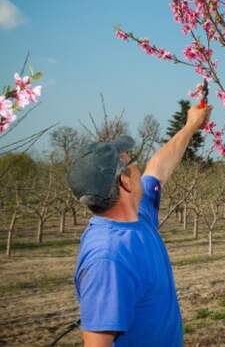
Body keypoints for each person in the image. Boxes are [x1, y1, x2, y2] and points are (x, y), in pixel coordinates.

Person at [68, 103, 212, 347]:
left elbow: (158, 168)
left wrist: (191, 126)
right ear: (125, 182)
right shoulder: (108, 259)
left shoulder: (137, 215)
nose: (139, 166)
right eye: (131, 161)